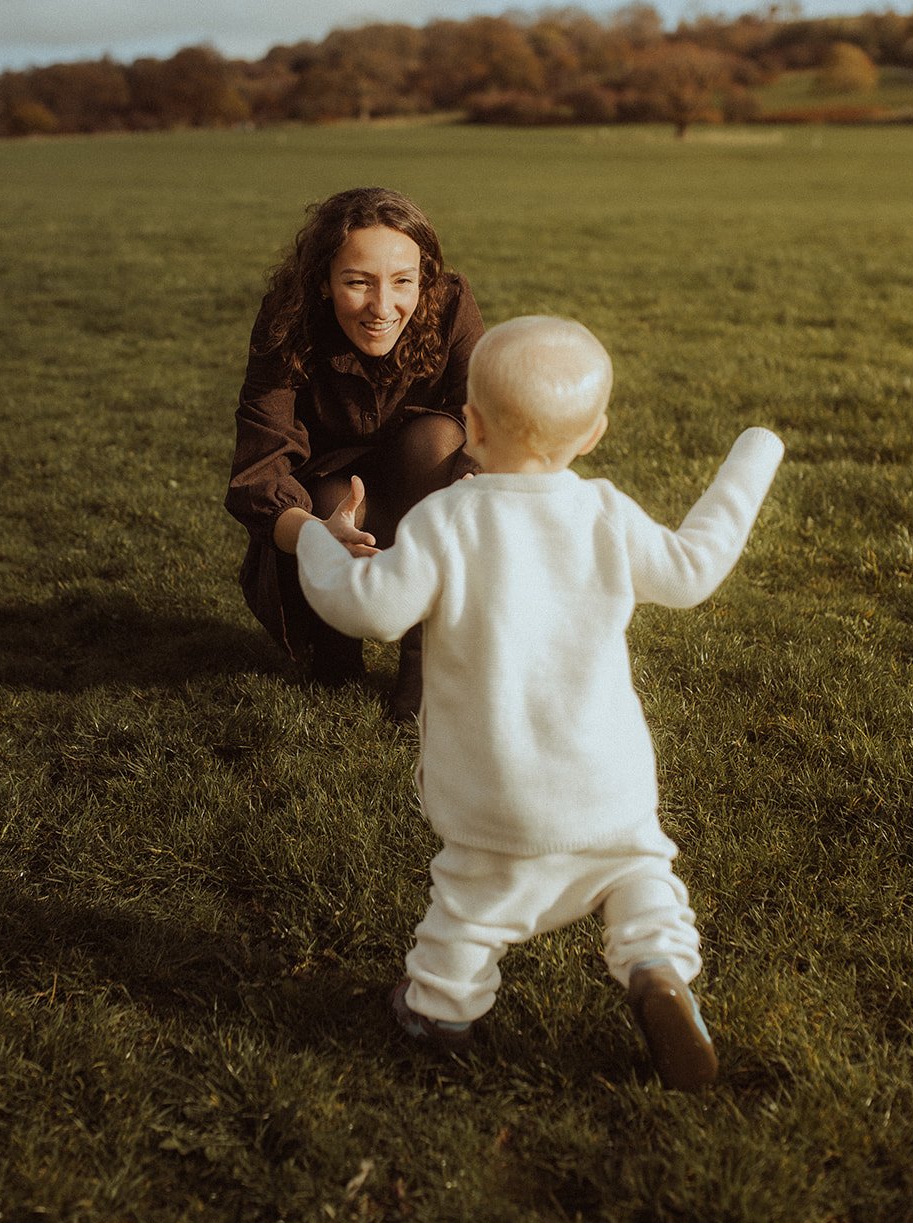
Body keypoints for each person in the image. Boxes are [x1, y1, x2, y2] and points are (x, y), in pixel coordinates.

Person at [295, 315, 785, 1089]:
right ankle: (656, 964)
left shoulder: (445, 520)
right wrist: (752, 459)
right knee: (638, 874)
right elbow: (692, 570)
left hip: (494, 786)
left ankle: (441, 1008)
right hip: (607, 780)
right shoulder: (603, 513)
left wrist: (324, 539)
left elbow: (371, 612)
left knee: (474, 899)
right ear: (593, 434)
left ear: (472, 424)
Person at [225, 187, 483, 720]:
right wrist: (315, 537)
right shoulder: (287, 322)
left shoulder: (451, 303)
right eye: (357, 282)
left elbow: (487, 416)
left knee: (437, 440)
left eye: (403, 281)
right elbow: (259, 466)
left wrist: (472, 484)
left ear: (425, 278)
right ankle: (335, 643)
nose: (382, 307)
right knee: (328, 493)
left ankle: (424, 658)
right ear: (322, 280)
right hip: (335, 506)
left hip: (427, 497)